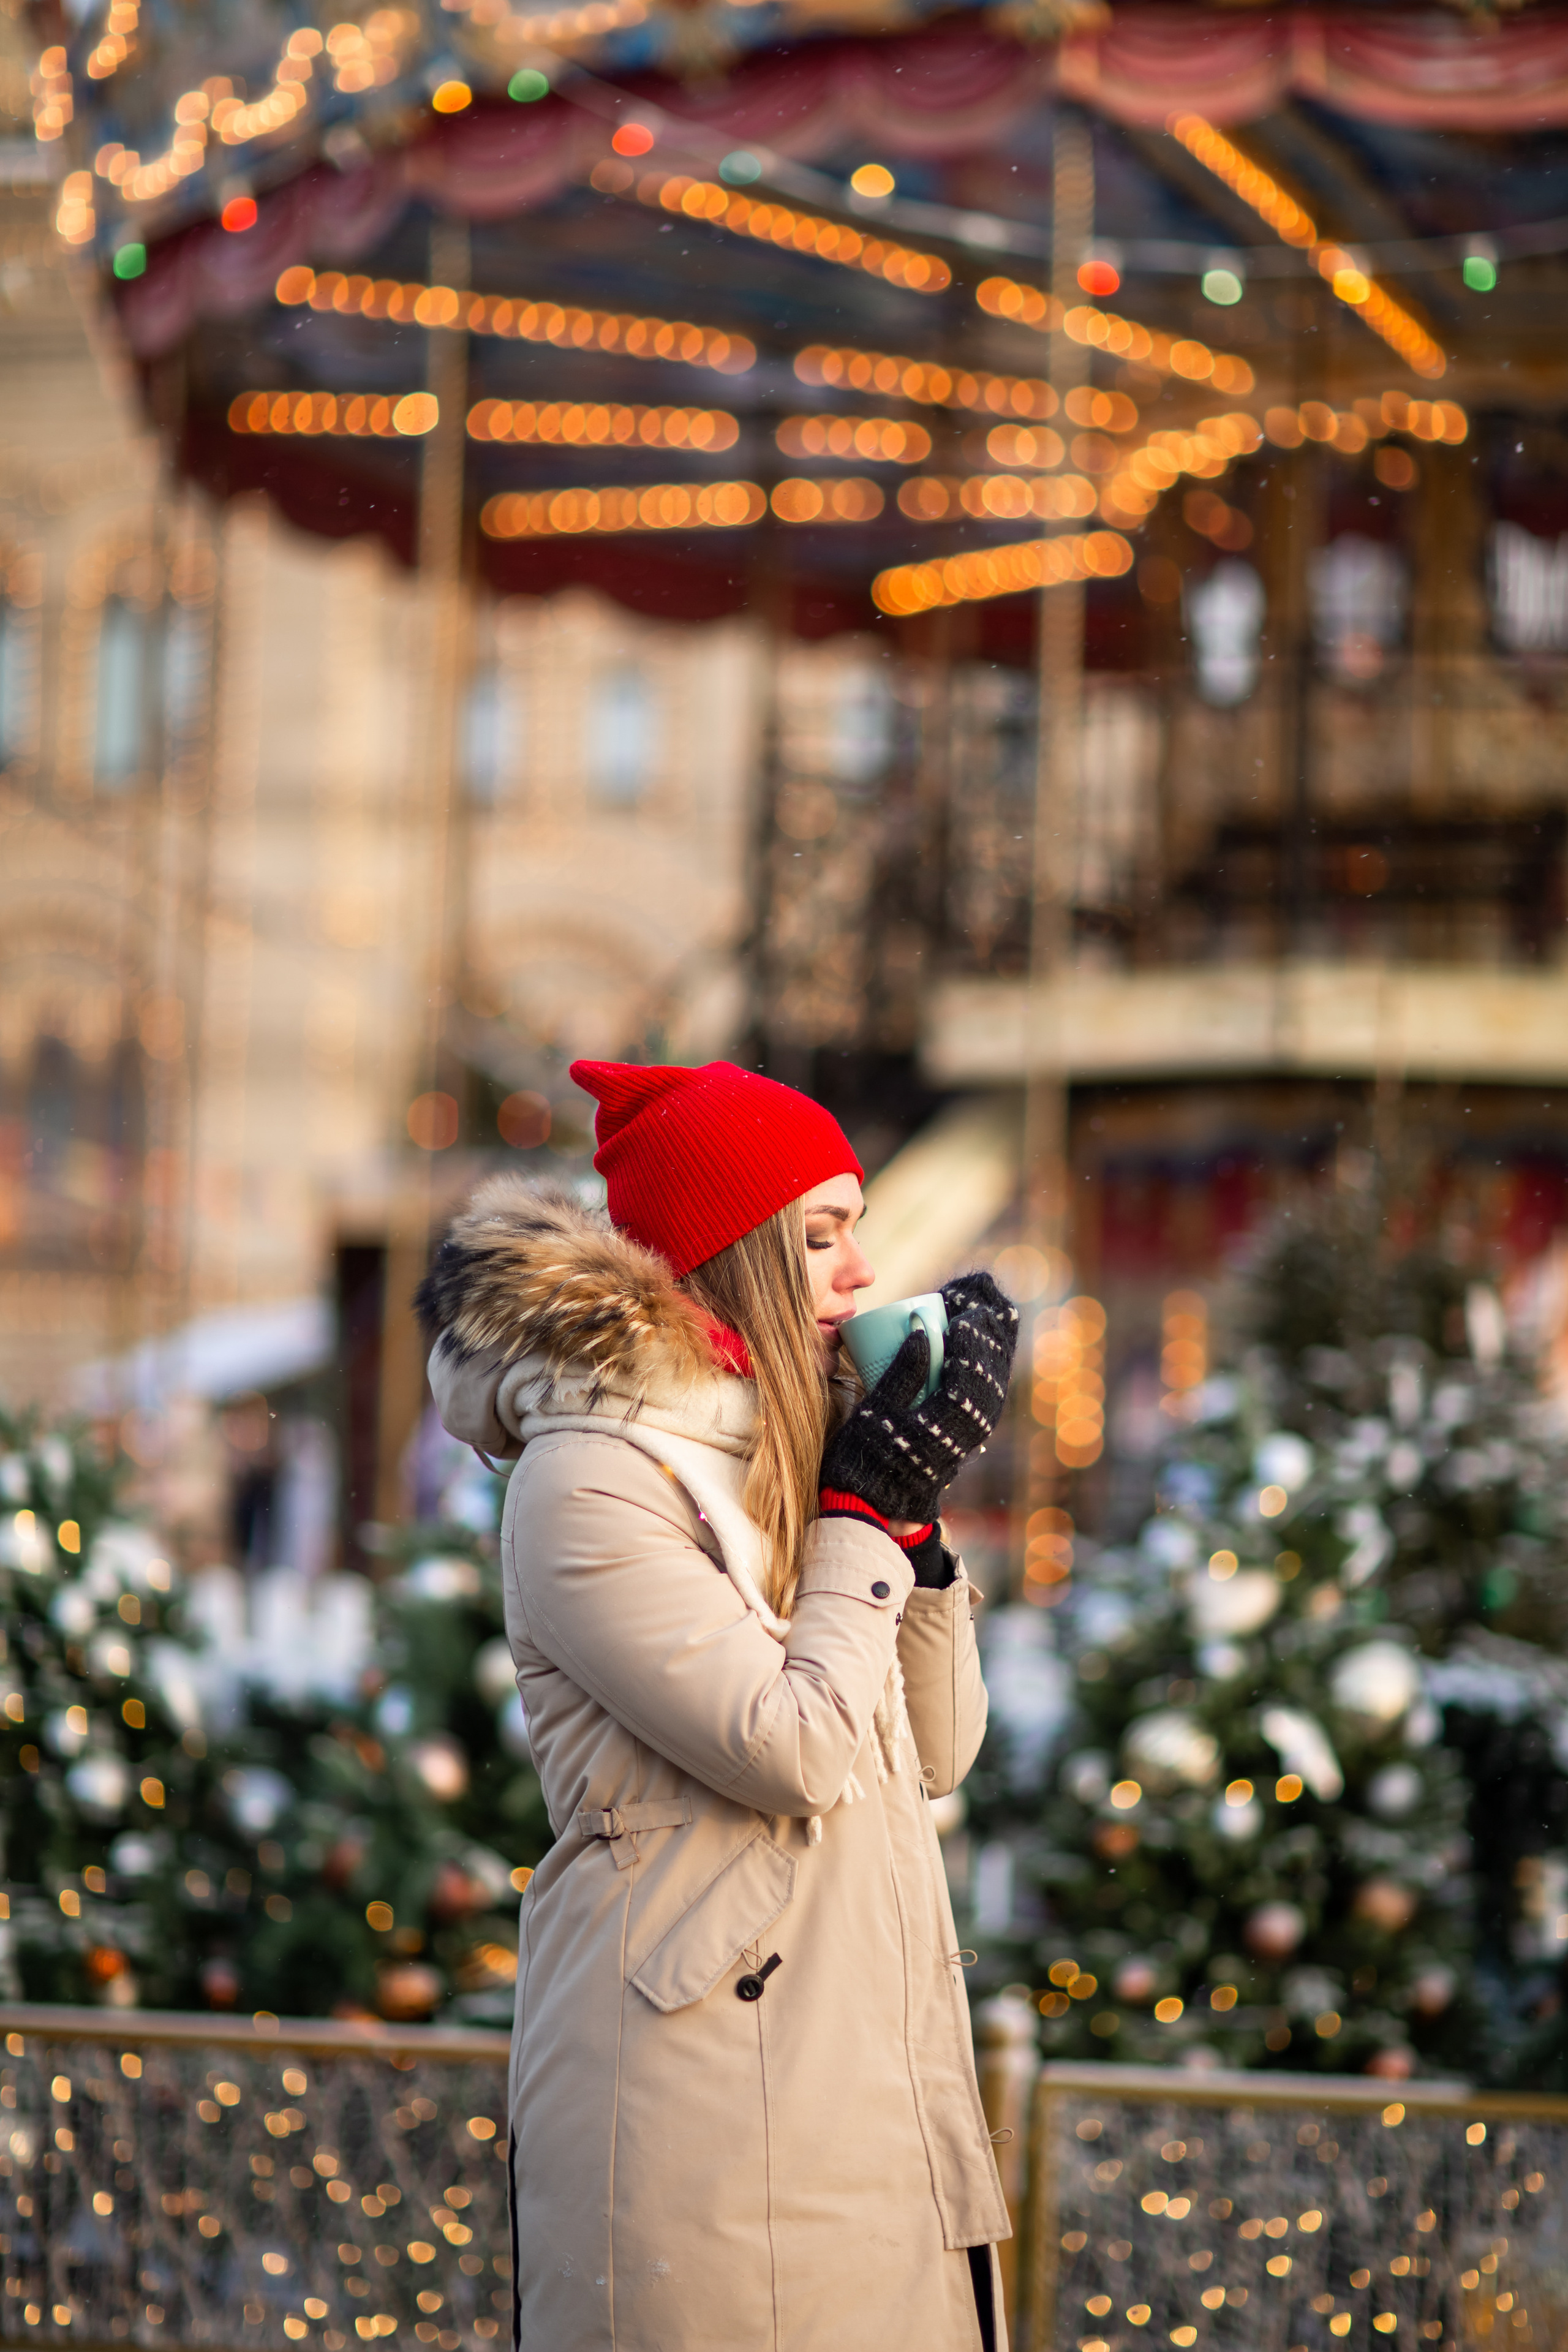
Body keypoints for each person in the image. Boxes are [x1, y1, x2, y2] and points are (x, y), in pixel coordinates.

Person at [417, 1059, 1020, 2352]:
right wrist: (860, 1512)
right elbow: (792, 1749)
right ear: (729, 1253)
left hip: (858, 2070)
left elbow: (940, 1746)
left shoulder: (791, 1455)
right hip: (703, 2103)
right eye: (821, 1235)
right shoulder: (586, 1479)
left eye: (857, 1229)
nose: (860, 1271)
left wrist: (903, 1517)